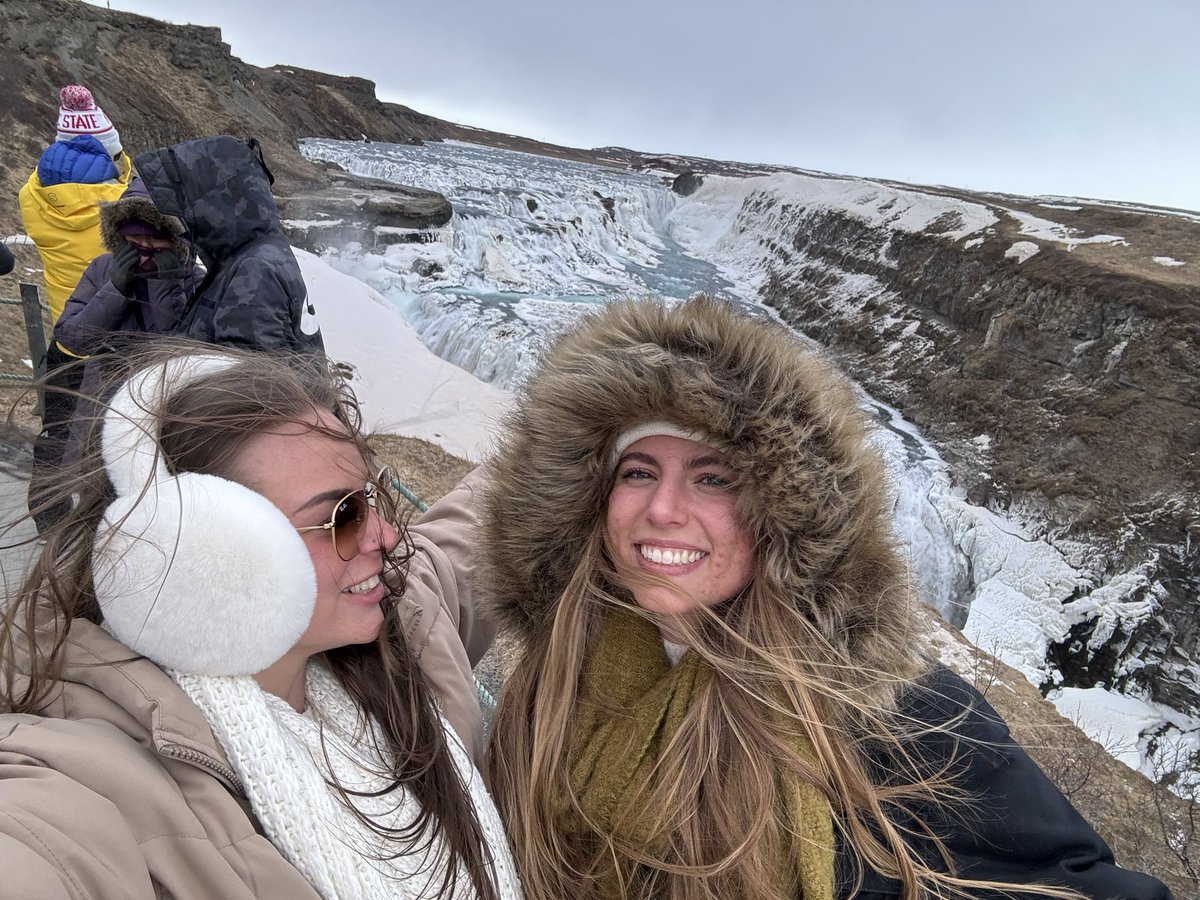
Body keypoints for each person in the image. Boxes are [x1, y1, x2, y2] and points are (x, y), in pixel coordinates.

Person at [481, 296, 1171, 899]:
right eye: (638, 471)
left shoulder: (897, 720)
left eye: (713, 478)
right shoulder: (554, 675)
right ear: (594, 500)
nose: (662, 510)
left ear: (781, 515)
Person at [0, 344, 518, 898]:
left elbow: (472, 528)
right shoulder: (89, 784)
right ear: (207, 554)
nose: (387, 537)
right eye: (342, 516)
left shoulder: (400, 626)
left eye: (373, 498)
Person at [26, 176, 204, 533]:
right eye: (133, 237)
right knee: (91, 489)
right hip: (95, 403)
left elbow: (176, 352)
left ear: (177, 240)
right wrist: (115, 289)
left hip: (156, 411)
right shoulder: (102, 270)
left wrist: (165, 286)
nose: (142, 246)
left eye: (154, 237)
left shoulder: (195, 282)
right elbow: (73, 338)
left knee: (137, 494)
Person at [133, 135, 325, 355]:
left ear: (212, 205)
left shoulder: (255, 271)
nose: (182, 221)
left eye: (186, 207)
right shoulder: (255, 254)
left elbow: (243, 383)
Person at [18, 85, 132, 326]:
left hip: (67, 324)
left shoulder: (30, 194)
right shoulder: (125, 203)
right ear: (108, 152)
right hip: (118, 335)